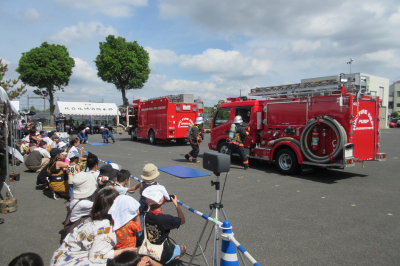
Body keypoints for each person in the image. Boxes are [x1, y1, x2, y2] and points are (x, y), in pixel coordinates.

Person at [50, 188, 135, 266]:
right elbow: (96, 257)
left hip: (60, 258)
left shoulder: (90, 219)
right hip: (73, 262)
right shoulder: (105, 226)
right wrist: (124, 251)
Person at [142, 185, 186, 264]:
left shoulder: (145, 216)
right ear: (163, 202)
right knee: (183, 248)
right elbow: (182, 220)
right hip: (163, 253)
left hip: (148, 249)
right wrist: (176, 204)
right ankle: (168, 260)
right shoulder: (165, 219)